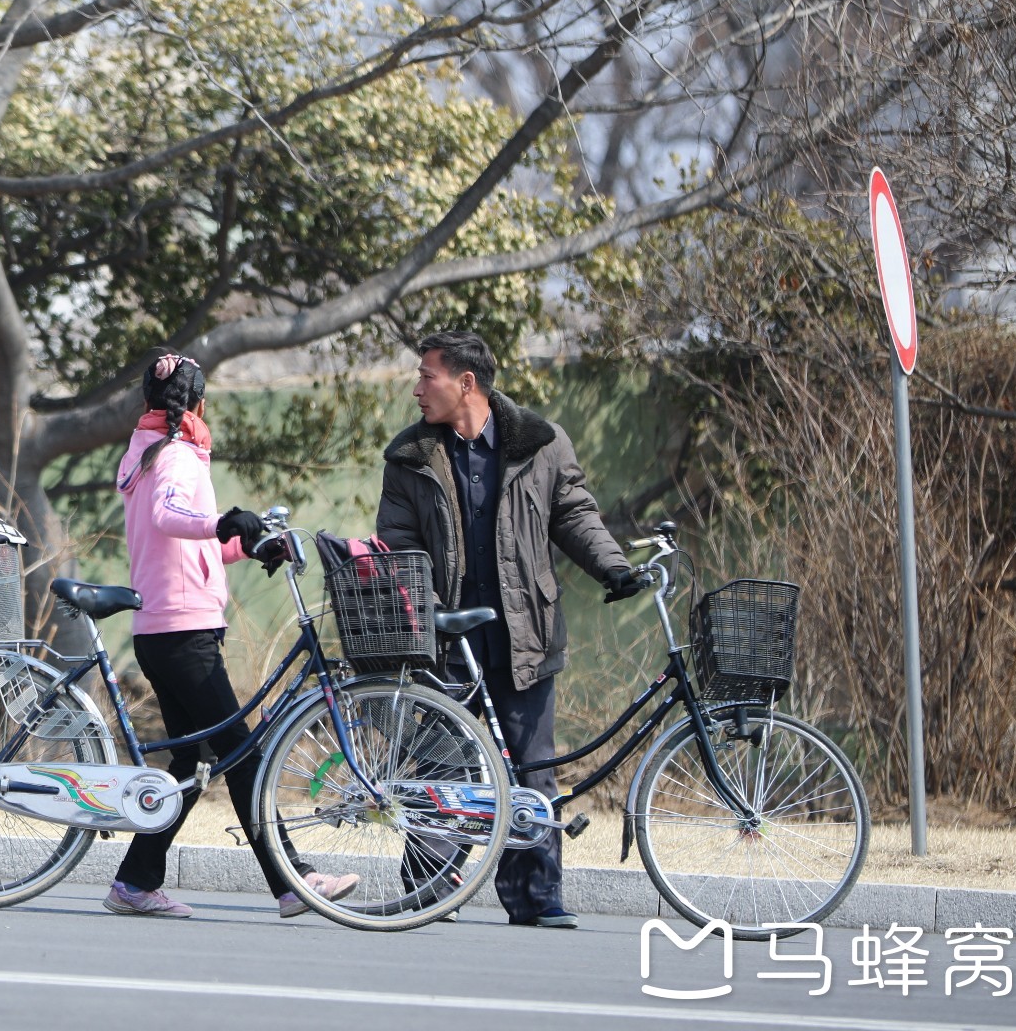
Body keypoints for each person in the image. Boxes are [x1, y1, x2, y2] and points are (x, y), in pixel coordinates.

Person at [375, 330, 640, 929]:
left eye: (427, 376)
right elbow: (398, 542)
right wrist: (421, 611)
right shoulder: (409, 456)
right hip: (449, 636)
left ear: (465, 382)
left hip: (527, 630)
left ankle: (536, 897)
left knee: (531, 767)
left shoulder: (539, 443)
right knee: (441, 764)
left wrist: (613, 567)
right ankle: (430, 890)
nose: (417, 389)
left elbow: (573, 512)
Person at [105, 350, 361, 920]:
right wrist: (224, 521)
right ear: (198, 404)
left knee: (193, 762)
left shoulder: (147, 451)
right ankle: (294, 882)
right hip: (184, 629)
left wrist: (246, 544)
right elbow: (173, 518)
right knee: (242, 755)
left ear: (148, 402)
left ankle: (134, 881)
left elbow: (187, 539)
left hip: (163, 628)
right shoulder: (174, 456)